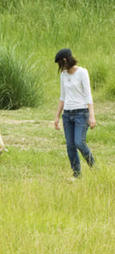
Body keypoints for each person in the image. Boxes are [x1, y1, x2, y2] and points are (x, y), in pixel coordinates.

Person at [53, 48, 96, 178]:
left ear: (65, 60)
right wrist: (57, 117)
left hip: (81, 114)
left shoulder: (82, 72)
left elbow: (88, 96)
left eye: (60, 63)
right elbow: (62, 97)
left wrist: (92, 116)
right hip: (67, 115)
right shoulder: (63, 75)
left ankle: (93, 166)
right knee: (70, 146)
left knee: (79, 142)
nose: (60, 67)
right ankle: (76, 174)